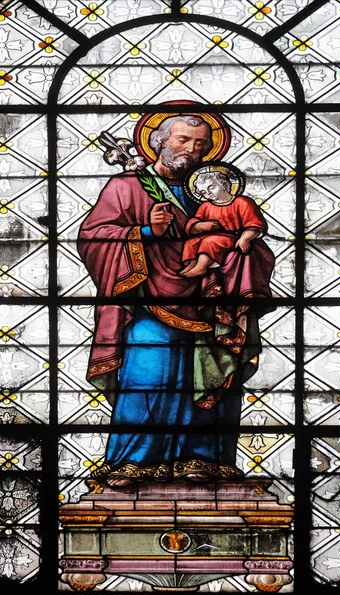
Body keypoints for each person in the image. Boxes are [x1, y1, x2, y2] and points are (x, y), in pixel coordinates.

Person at [77, 113, 275, 490]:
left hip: (211, 301)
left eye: (201, 144)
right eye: (184, 140)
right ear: (159, 141)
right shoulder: (127, 185)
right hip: (150, 302)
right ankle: (133, 461)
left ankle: (204, 459)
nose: (193, 150)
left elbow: (246, 237)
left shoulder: (214, 192)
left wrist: (237, 249)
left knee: (211, 378)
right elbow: (94, 237)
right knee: (148, 376)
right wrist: (147, 230)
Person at [180, 170, 267, 278]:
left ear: (224, 184)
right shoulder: (206, 206)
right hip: (213, 237)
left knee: (210, 241)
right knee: (191, 242)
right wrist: (200, 226)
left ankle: (201, 267)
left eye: (211, 187)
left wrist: (244, 238)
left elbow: (254, 224)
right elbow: (194, 223)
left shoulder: (242, 202)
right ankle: (192, 264)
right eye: (203, 192)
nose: (208, 193)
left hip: (233, 238)